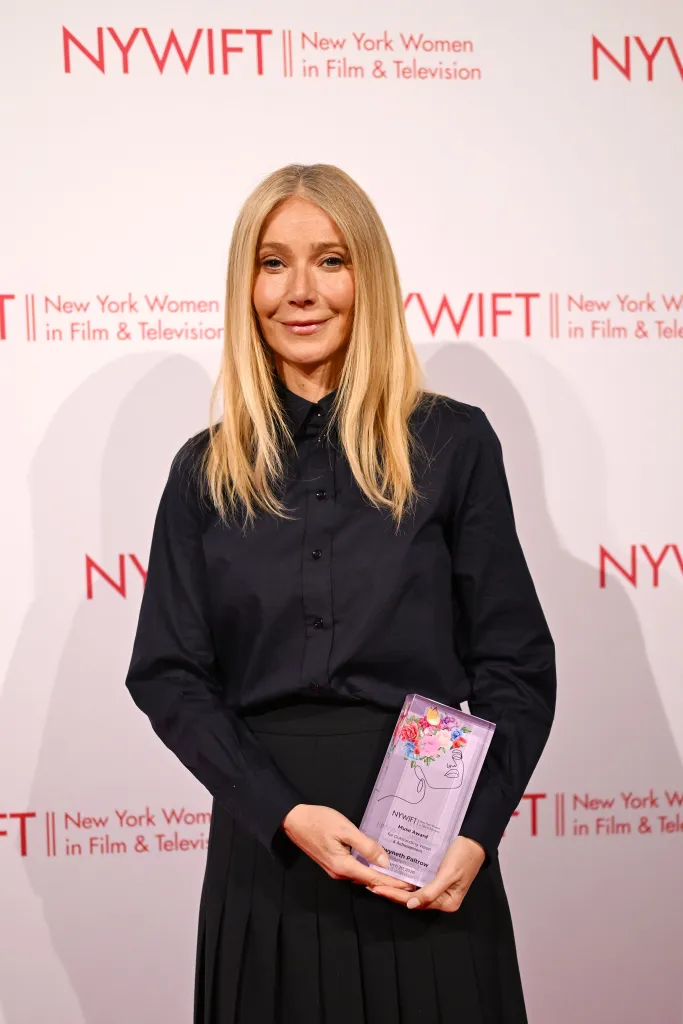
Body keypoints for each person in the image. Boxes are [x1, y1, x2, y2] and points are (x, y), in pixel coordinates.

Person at [124, 162, 556, 1024]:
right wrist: (281, 813)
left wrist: (475, 830)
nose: (300, 290)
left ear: (368, 275)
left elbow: (515, 664)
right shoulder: (203, 470)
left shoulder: (453, 444)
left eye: (329, 260)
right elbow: (168, 673)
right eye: (273, 262)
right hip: (270, 852)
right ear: (246, 285)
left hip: (427, 855)